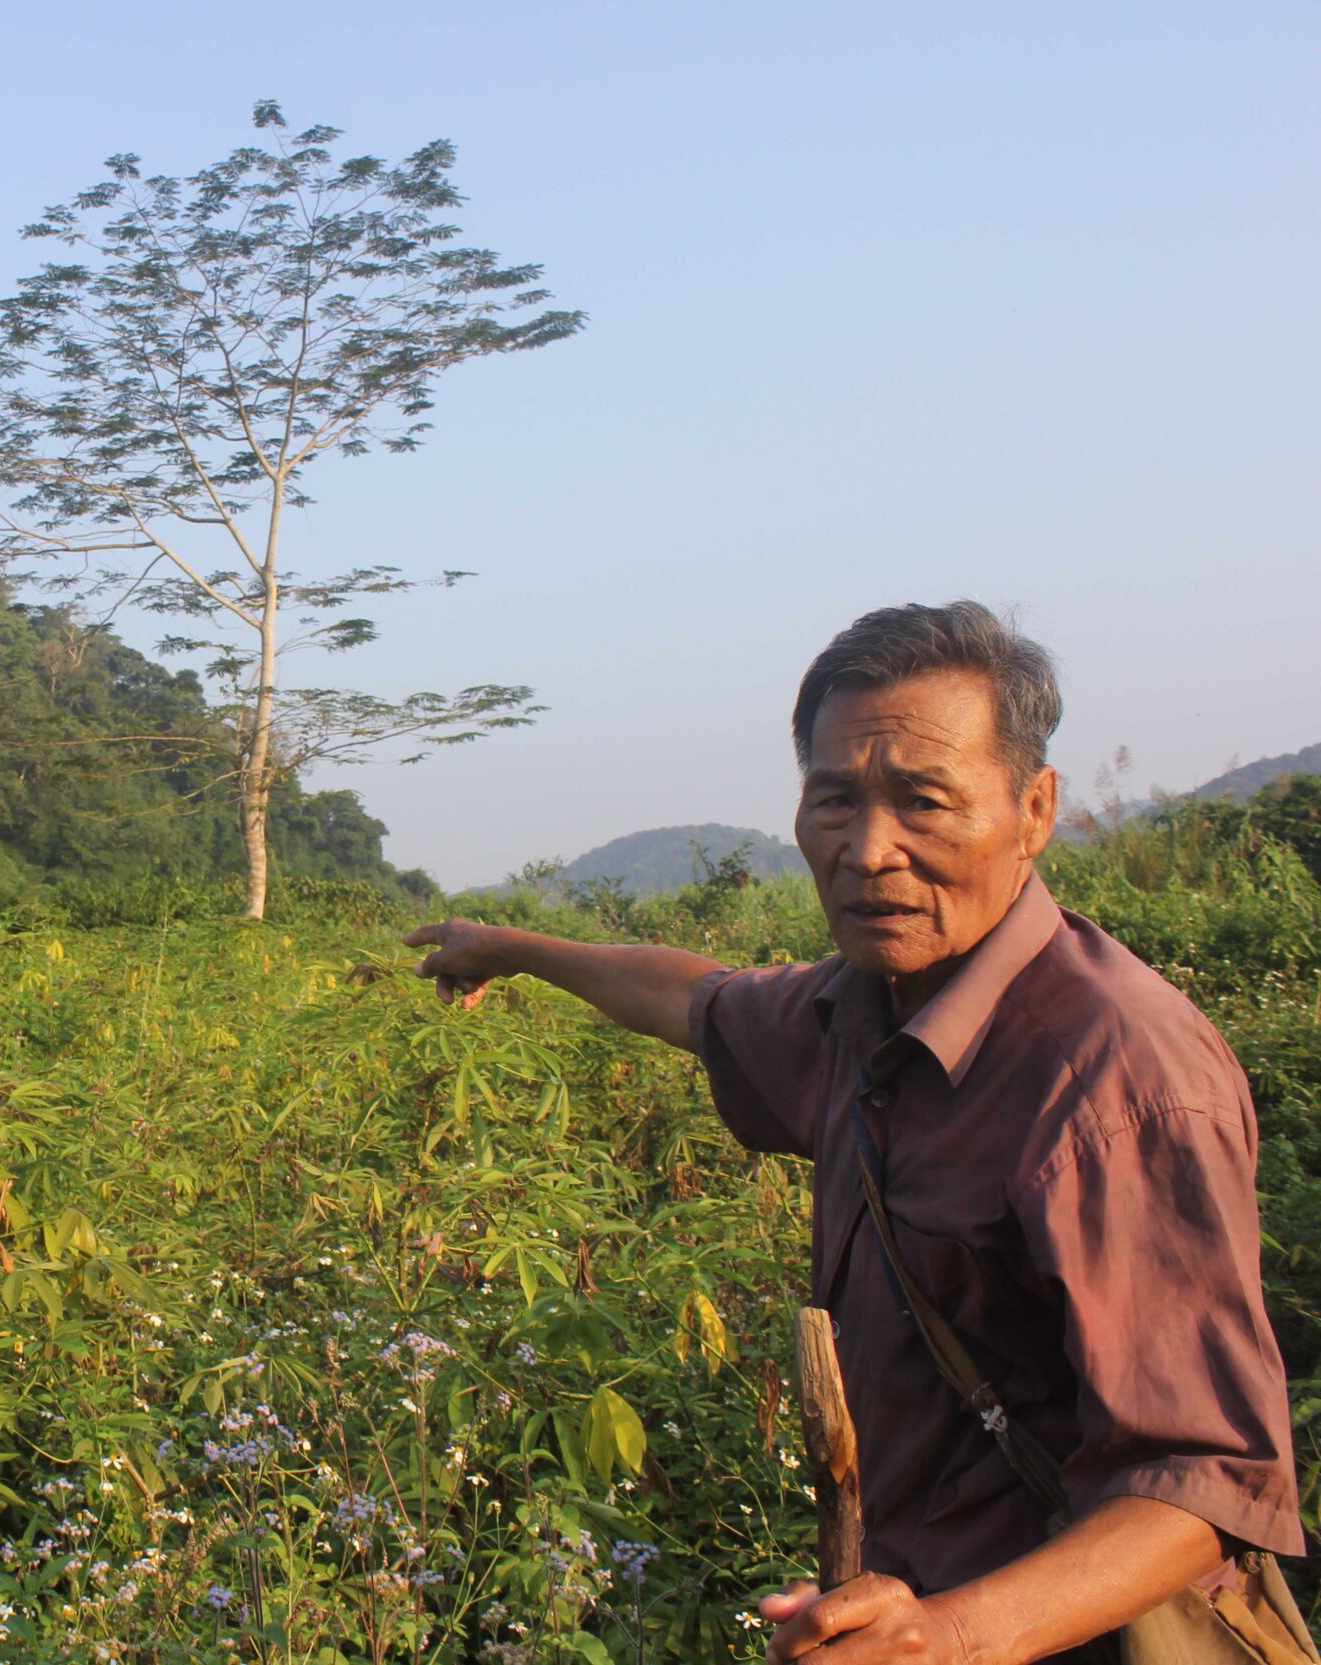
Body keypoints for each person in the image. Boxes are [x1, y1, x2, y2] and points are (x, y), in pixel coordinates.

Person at [405, 602, 1305, 1664]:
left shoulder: (1118, 1078)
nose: (867, 849)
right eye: (834, 799)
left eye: (922, 802)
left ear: (1033, 807)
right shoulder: (858, 1010)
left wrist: (951, 1634)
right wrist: (505, 945)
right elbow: (690, 999)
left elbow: (1204, 1482)